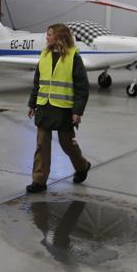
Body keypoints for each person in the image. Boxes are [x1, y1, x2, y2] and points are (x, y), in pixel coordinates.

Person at [26, 23, 92, 193]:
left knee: (67, 144)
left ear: (60, 37)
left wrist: (77, 111)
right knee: (42, 144)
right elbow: (37, 83)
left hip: (63, 109)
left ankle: (82, 166)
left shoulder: (73, 57)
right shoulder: (44, 55)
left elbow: (82, 87)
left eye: (49, 34)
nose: (46, 37)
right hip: (44, 107)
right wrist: (32, 104)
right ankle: (39, 181)